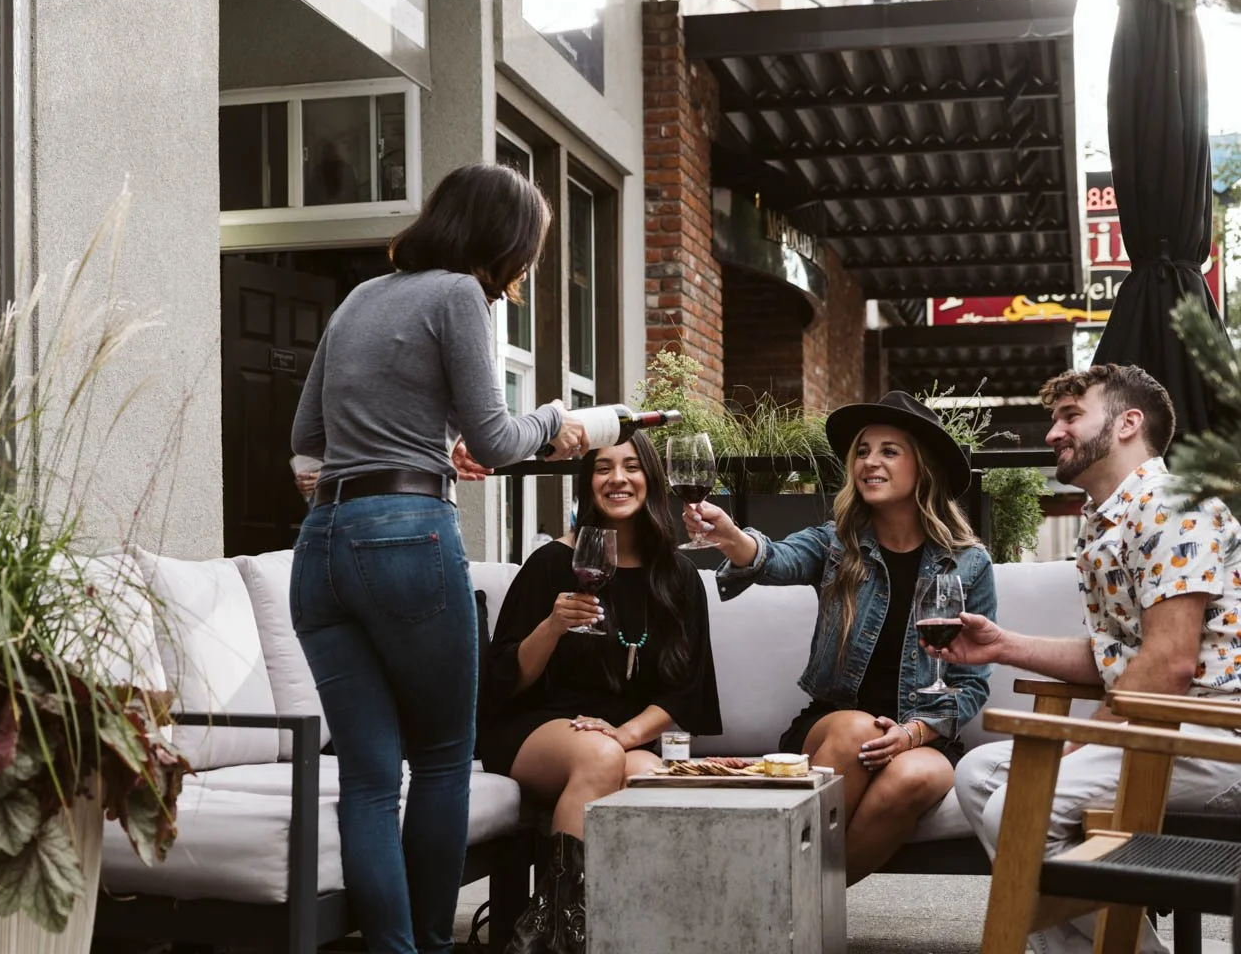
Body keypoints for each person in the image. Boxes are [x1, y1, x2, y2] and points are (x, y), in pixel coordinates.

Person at [289, 163, 587, 954]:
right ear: (506, 240)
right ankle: (428, 942)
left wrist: (414, 458)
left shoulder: (359, 297)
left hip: (319, 547)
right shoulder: (458, 295)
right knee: (447, 757)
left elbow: (306, 442)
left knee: (368, 778)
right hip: (408, 536)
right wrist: (555, 419)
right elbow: (497, 438)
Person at [934, 364, 1241, 954]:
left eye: (1071, 416)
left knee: (1016, 810)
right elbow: (1120, 661)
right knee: (977, 775)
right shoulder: (1110, 518)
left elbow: (1169, 664)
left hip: (1214, 737)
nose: (1053, 432)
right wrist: (1002, 645)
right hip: (1161, 730)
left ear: (1129, 424)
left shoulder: (1170, 505)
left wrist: (1080, 740)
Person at [684, 391, 997, 882]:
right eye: (863, 451)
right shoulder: (835, 544)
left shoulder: (969, 564)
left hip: (919, 736)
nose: (869, 461)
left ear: (924, 467)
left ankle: (788, 901)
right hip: (833, 726)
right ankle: (788, 909)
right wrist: (730, 536)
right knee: (857, 730)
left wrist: (913, 733)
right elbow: (774, 558)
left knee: (921, 774)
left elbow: (971, 682)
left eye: (889, 451)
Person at [481, 435, 720, 954]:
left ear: (651, 480)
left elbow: (688, 691)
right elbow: (503, 682)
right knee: (601, 756)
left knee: (651, 779)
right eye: (602, 468)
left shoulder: (677, 576)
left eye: (632, 467)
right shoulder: (552, 563)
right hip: (535, 727)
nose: (617, 478)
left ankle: (625, 933)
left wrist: (626, 733)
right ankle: (564, 941)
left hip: (620, 737)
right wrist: (552, 625)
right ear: (587, 484)